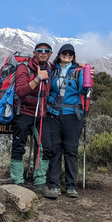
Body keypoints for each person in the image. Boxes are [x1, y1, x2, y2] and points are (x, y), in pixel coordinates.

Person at [42, 43, 88, 199]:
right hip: (53, 114)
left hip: (72, 116)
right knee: (55, 150)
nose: (67, 55)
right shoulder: (52, 69)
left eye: (70, 54)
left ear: (73, 56)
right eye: (64, 53)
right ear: (59, 54)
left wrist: (86, 80)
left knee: (70, 150)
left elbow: (83, 88)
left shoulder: (78, 71)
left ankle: (70, 186)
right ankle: (54, 185)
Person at [10, 43, 52, 192]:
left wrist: (79, 66)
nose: (43, 53)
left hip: (42, 114)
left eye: (46, 51)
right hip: (24, 112)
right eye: (40, 51)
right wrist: (37, 79)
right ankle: (17, 181)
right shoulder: (24, 67)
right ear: (34, 53)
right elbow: (20, 91)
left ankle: (39, 182)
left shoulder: (51, 67)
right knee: (19, 146)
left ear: (50, 54)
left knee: (45, 148)